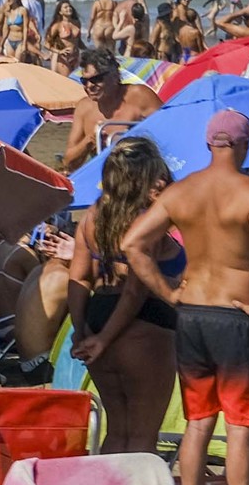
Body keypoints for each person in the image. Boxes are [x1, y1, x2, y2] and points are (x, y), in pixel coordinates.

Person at [121, 109, 249, 485]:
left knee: (197, 423)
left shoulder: (181, 192)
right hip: (237, 318)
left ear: (210, 144)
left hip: (191, 315)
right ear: (245, 144)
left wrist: (168, 293)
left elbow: (133, 243)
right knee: (241, 430)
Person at [68, 138, 181, 454]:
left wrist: (82, 330)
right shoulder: (147, 222)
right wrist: (104, 338)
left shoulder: (93, 216)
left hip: (98, 311)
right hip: (144, 324)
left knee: (117, 431)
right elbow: (135, 290)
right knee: (143, 435)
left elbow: (78, 277)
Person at [63, 48, 160, 171]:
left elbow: (170, 131)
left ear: (114, 76)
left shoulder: (139, 96)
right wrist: (89, 141)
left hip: (143, 171)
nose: (89, 86)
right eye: (84, 81)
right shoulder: (84, 109)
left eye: (96, 79)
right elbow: (68, 163)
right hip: (108, 178)